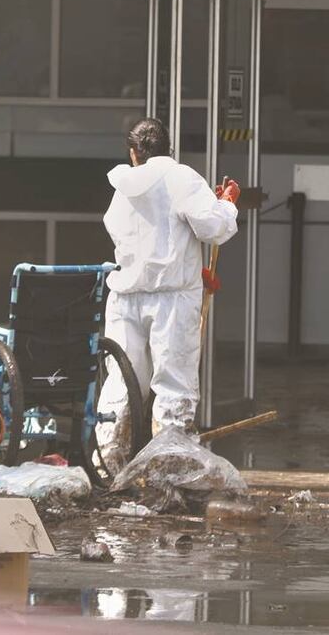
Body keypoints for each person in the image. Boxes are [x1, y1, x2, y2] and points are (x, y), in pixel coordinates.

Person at [97, 118, 240, 467]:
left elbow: (135, 239)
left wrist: (190, 267)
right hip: (171, 300)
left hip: (126, 297)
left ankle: (108, 465)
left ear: (134, 153)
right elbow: (214, 228)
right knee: (174, 385)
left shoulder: (124, 186)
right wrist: (228, 203)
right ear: (168, 148)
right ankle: (170, 471)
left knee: (122, 383)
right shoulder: (182, 178)